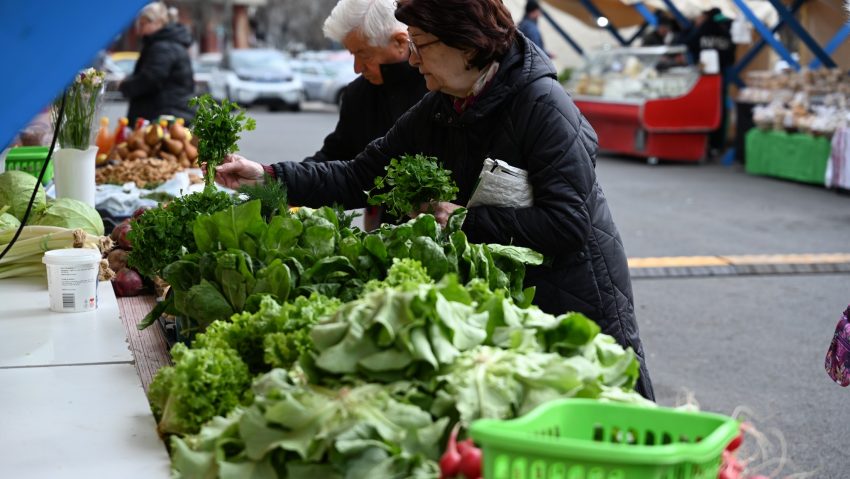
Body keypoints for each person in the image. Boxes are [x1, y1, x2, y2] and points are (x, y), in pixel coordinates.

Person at [215, 0, 655, 400]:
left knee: (610, 421)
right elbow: (360, 175)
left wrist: (466, 221)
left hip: (577, 297)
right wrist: (269, 176)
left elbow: (567, 224)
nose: (412, 57)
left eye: (422, 45)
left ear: (467, 44)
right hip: (515, 297)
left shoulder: (541, 105)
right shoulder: (443, 104)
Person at [299, 0, 429, 230]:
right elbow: (337, 156)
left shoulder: (437, 87)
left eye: (364, 54)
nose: (357, 68)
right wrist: (285, 181)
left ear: (400, 42)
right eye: (352, 54)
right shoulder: (357, 94)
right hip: (381, 233)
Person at [120, 2, 195, 126]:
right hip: (170, 113)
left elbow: (150, 78)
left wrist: (125, 85)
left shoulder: (162, 46)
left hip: (163, 118)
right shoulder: (168, 43)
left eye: (143, 24)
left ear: (157, 22)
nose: (140, 30)